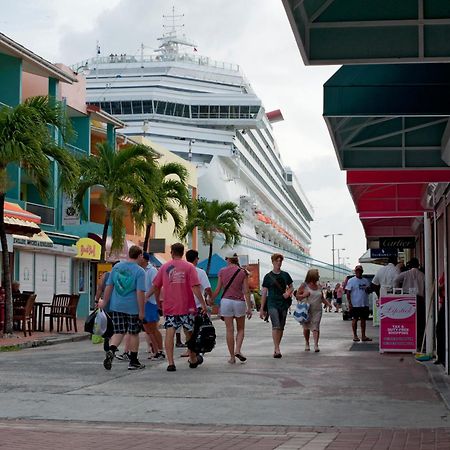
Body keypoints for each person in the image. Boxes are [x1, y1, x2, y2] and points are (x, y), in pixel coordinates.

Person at [147, 243, 208, 372]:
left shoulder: (164, 267)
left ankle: (171, 363)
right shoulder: (189, 267)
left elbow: (156, 286)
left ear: (172, 252)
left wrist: (149, 297)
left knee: (170, 333)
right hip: (188, 307)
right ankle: (192, 359)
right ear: (182, 253)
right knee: (189, 333)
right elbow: (195, 287)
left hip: (170, 306)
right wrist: (203, 303)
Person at [99, 245, 146, 371]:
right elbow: (140, 293)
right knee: (134, 333)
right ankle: (134, 361)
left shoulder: (117, 267)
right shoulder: (140, 271)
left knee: (119, 331)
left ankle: (112, 350)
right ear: (140, 255)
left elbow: (109, 286)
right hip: (133, 307)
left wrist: (104, 302)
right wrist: (142, 311)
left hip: (117, 306)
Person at [212, 253, 252, 364]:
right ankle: (238, 350)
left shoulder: (222, 271)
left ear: (228, 259)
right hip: (239, 302)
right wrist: (249, 307)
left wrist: (211, 299)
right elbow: (246, 291)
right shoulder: (242, 272)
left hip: (226, 302)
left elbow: (218, 289)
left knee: (229, 330)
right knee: (241, 329)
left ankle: (232, 357)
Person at [259, 253, 293, 358]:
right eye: (276, 261)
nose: (278, 263)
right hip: (272, 303)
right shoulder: (268, 277)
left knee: (281, 327)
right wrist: (262, 308)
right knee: (276, 325)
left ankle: (277, 347)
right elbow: (264, 293)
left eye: (280, 261)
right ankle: (277, 348)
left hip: (283, 303)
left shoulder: (285, 275)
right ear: (272, 262)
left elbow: (291, 287)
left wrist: (288, 293)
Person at [183, 249, 213, 358]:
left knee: (187, 329)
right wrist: (210, 297)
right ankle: (194, 349)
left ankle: (190, 350)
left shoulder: (182, 271)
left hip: (184, 305)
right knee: (197, 328)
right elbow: (208, 288)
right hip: (198, 305)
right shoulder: (200, 272)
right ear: (196, 259)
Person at [394, 257, 425, 350]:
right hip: (419, 299)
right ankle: (418, 343)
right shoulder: (422, 274)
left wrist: (397, 291)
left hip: (407, 298)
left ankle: (408, 341)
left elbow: (395, 280)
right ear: (418, 265)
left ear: (410, 265)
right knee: (419, 322)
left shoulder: (406, 273)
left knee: (408, 321)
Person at [296, 268, 326, 352]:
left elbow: (322, 298)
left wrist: (328, 304)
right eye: (317, 275)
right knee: (306, 328)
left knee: (316, 326)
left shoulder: (319, 286)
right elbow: (297, 296)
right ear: (313, 276)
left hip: (317, 310)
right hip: (307, 310)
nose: (319, 276)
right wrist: (304, 295)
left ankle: (316, 345)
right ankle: (307, 343)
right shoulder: (304, 285)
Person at [94, 261, 119, 354]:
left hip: (106, 303)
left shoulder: (106, 275)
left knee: (107, 322)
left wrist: (97, 300)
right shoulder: (120, 277)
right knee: (115, 325)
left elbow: (100, 288)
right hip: (116, 304)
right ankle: (112, 343)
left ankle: (107, 339)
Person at [345, 265, 372, 342]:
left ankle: (363, 336)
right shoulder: (351, 281)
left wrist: (368, 289)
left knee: (363, 320)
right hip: (355, 304)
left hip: (364, 304)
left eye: (360, 271)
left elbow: (368, 291)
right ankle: (355, 336)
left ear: (362, 272)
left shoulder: (365, 281)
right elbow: (348, 292)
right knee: (355, 320)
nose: (358, 272)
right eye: (357, 271)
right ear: (355, 271)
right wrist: (350, 303)